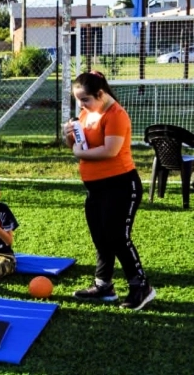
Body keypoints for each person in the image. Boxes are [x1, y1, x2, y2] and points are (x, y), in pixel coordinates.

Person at [64, 71, 155, 311]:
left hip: (121, 186)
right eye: (79, 100)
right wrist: (69, 138)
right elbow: (79, 144)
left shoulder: (116, 115)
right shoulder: (87, 113)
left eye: (85, 99)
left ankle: (141, 287)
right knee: (101, 237)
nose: (81, 105)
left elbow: (110, 151)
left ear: (101, 94)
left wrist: (78, 153)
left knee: (117, 238)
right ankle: (104, 285)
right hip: (96, 188)